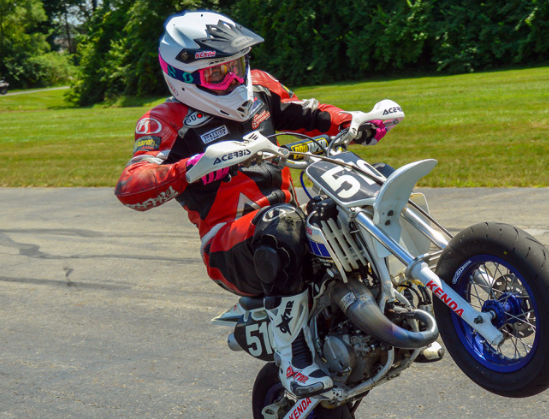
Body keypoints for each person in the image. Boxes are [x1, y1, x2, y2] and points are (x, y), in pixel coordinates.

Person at [115, 10, 387, 398]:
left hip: (291, 219)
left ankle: (399, 301)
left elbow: (308, 112)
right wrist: (193, 166)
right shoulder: (163, 120)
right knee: (282, 222)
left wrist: (354, 122)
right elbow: (131, 185)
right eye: (217, 73)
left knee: (369, 187)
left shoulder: (259, 87)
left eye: (236, 65)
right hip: (229, 245)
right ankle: (293, 357)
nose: (232, 79)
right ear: (181, 75)